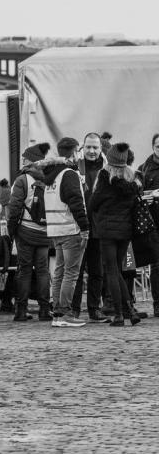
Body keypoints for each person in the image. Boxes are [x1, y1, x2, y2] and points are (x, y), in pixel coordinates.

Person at [90, 143, 141, 326]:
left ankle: (119, 314)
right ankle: (130, 311)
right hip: (125, 231)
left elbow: (93, 204)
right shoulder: (133, 179)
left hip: (106, 231)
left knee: (111, 270)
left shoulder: (105, 178)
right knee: (117, 269)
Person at [43, 138, 90, 328]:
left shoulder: (51, 175)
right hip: (70, 228)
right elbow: (76, 203)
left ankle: (57, 314)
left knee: (60, 272)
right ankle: (65, 313)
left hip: (55, 230)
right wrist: (85, 228)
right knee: (71, 273)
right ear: (74, 152)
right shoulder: (69, 174)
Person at [6, 143, 53, 322]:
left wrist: (11, 230)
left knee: (24, 270)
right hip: (44, 232)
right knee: (43, 271)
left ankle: (21, 310)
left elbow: (14, 207)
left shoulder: (22, 180)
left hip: (25, 231)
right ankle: (44, 310)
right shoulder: (49, 178)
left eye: (25, 158)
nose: (22, 160)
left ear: (30, 161)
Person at [72, 132, 108, 321]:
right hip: (79, 226)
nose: (92, 151)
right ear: (82, 147)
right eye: (88, 147)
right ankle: (74, 309)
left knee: (97, 271)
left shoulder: (107, 169)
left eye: (95, 147)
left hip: (99, 227)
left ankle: (94, 309)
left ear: (101, 149)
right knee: (76, 271)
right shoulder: (75, 167)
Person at [138, 133, 159, 316]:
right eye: (158, 146)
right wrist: (148, 197)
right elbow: (138, 195)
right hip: (153, 224)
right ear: (153, 147)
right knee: (157, 265)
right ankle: (158, 305)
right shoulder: (144, 169)